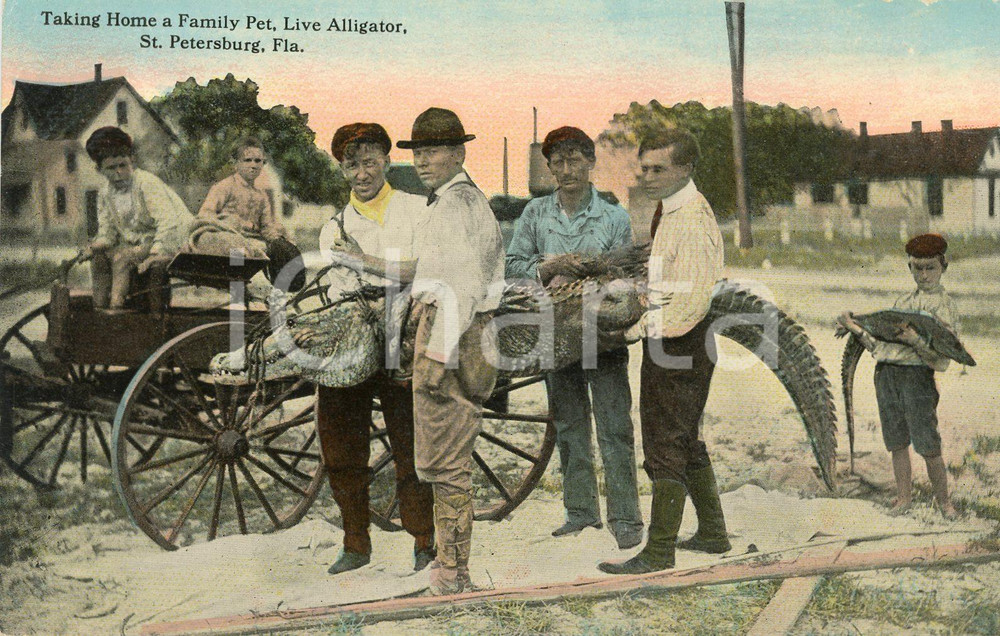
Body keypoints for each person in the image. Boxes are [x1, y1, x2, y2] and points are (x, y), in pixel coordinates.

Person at [600, 128, 730, 575]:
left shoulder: (691, 218)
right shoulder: (670, 209)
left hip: (682, 341)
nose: (648, 176)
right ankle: (713, 534)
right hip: (669, 338)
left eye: (659, 168)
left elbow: (691, 304)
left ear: (686, 168)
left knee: (665, 442)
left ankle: (658, 552)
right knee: (681, 435)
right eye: (645, 168)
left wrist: (635, 329)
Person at [505, 126, 643, 548]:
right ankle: (581, 512)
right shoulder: (535, 215)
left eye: (574, 160)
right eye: (558, 162)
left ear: (590, 162)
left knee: (614, 427)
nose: (566, 169)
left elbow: (625, 276)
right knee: (568, 425)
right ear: (549, 168)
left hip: (603, 336)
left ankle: (626, 518)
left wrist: (597, 271)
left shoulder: (613, 216)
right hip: (555, 336)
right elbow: (512, 266)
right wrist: (551, 266)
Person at [311, 123, 436, 575]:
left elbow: (423, 271)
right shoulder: (334, 229)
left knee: (412, 442)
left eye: (369, 162)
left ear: (385, 160)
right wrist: (389, 275)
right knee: (342, 442)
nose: (361, 173)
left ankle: (424, 541)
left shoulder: (418, 209)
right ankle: (355, 543)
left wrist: (371, 265)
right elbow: (349, 289)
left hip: (406, 339)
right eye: (351, 165)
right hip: (359, 333)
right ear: (342, 170)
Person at [398, 107, 505, 594]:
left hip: (453, 332)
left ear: (459, 153)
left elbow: (461, 286)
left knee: (446, 459)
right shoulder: (452, 201)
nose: (423, 161)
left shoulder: (456, 205)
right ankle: (450, 566)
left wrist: (437, 356)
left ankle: (452, 571)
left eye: (434, 151)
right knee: (447, 458)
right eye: (418, 152)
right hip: (457, 327)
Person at [838, 233, 958, 518]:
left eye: (931, 267)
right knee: (896, 442)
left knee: (928, 444)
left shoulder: (945, 307)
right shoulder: (901, 301)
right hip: (886, 375)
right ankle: (904, 499)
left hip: (917, 379)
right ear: (910, 268)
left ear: (944, 266)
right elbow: (878, 347)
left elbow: (942, 359)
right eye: (918, 267)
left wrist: (916, 341)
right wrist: (853, 326)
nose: (925, 274)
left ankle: (945, 503)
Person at [82, 126, 191, 309]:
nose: (118, 172)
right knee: (99, 259)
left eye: (122, 165)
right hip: (141, 243)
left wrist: (155, 254)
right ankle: (99, 310)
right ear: (99, 169)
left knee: (123, 259)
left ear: (132, 161)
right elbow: (108, 234)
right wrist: (92, 248)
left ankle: (116, 310)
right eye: (111, 168)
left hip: (170, 240)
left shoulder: (145, 184)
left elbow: (168, 223)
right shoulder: (105, 194)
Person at [197, 137, 305, 291]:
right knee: (239, 253)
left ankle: (276, 294)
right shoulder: (224, 187)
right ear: (236, 164)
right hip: (227, 241)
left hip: (251, 243)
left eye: (258, 161)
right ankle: (238, 303)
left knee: (282, 249)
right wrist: (229, 223)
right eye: (247, 160)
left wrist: (281, 240)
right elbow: (205, 215)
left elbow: (267, 227)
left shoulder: (261, 195)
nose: (253, 165)